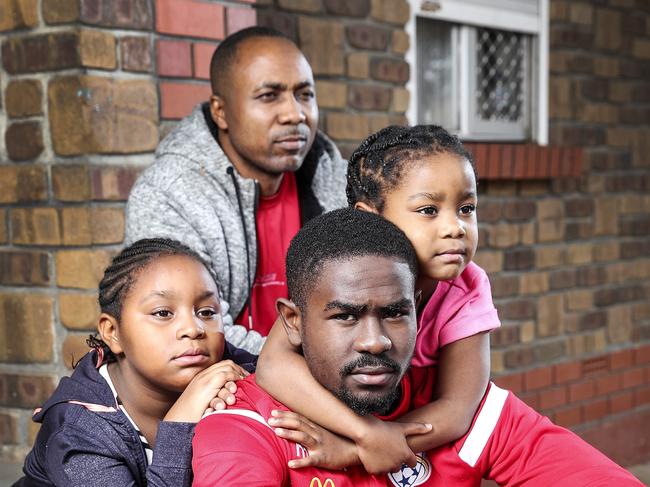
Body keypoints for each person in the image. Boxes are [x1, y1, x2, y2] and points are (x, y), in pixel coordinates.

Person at [191, 208, 642, 486]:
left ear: (418, 308)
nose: (376, 340)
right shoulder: (247, 428)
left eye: (395, 312)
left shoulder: (456, 408)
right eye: (345, 316)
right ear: (293, 321)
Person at [257, 125, 498, 472]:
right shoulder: (340, 275)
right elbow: (272, 366)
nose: (456, 227)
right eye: (429, 210)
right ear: (370, 216)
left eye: (466, 208)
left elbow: (457, 410)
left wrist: (361, 449)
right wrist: (364, 433)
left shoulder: (467, 288)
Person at [125, 26, 347, 355]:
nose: (294, 113)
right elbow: (189, 333)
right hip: (220, 385)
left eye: (305, 94)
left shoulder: (336, 180)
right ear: (221, 111)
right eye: (269, 96)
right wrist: (320, 361)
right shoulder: (170, 193)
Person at [14, 238, 256, 487]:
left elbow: (278, 361)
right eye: (163, 313)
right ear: (112, 332)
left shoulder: (219, 361)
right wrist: (179, 422)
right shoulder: (79, 430)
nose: (194, 328)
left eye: (206, 312)